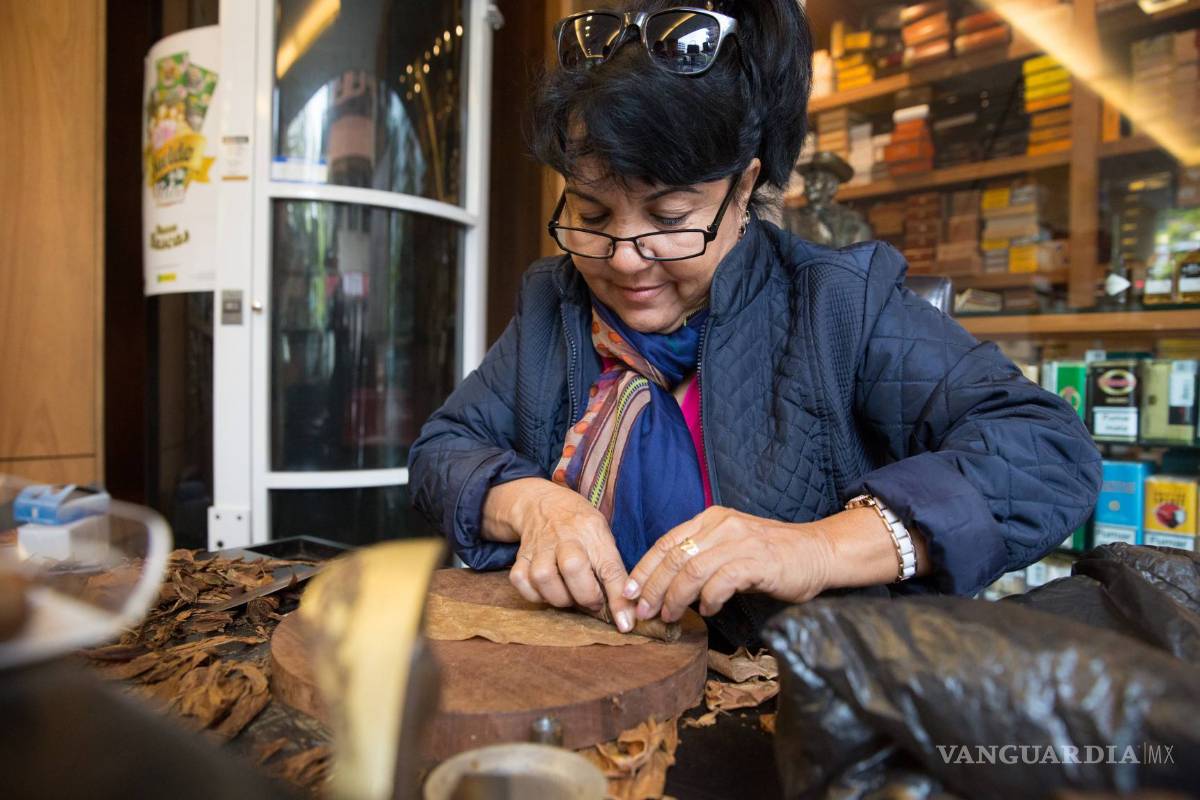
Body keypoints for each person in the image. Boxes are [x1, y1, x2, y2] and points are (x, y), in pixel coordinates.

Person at [408, 1, 1102, 648]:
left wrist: (815, 546)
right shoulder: (555, 306)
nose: (624, 259)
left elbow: (1045, 452)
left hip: (795, 706)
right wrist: (534, 507)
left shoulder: (836, 306)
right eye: (591, 215)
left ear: (743, 189)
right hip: (589, 675)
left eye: (670, 219)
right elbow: (445, 449)